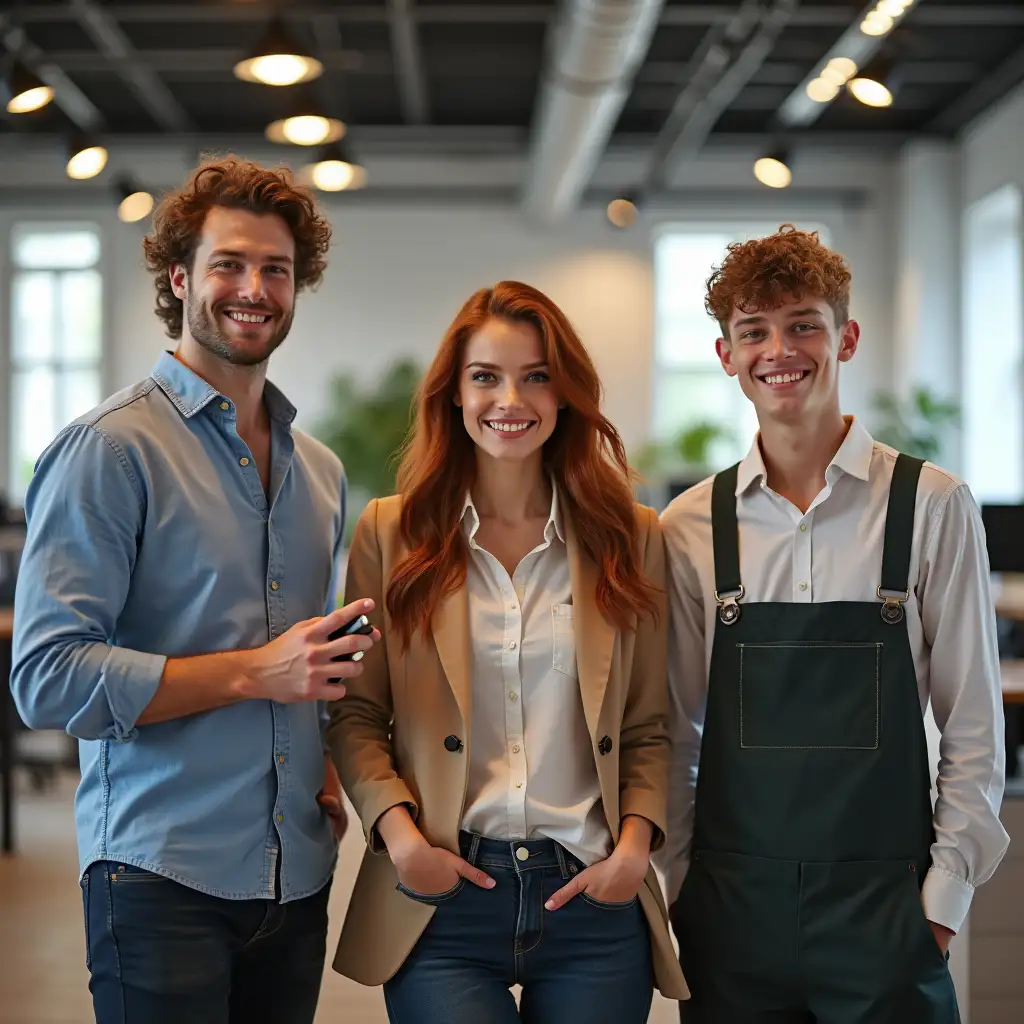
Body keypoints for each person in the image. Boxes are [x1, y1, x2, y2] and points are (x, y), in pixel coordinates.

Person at [10, 157, 379, 1024]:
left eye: (277, 270)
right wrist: (255, 673)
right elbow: (47, 677)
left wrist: (321, 753)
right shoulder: (109, 450)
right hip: (157, 873)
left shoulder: (317, 470)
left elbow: (308, 660)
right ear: (179, 280)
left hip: (295, 872)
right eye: (229, 264)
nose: (254, 288)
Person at [658, 225, 1009, 1022]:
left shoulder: (932, 506)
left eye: (802, 324)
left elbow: (974, 730)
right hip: (730, 915)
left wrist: (940, 908)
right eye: (753, 330)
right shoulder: (687, 527)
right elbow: (672, 734)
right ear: (726, 355)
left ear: (846, 337)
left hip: (887, 917)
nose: (779, 349)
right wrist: (682, 892)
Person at [325, 280, 690, 1022]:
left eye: (535, 376)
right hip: (444, 891)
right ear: (454, 395)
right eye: (485, 377)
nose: (509, 400)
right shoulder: (390, 534)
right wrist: (402, 841)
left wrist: (631, 854)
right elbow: (357, 717)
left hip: (590, 891)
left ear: (565, 395)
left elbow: (653, 725)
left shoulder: (632, 536)